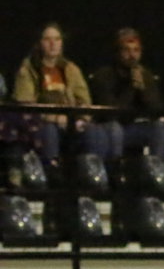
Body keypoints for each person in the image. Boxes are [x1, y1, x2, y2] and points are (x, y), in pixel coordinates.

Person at [12, 21, 109, 172]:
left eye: (57, 39)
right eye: (47, 39)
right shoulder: (28, 70)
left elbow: (85, 101)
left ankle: (95, 176)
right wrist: (56, 118)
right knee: (49, 131)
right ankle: (52, 174)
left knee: (96, 131)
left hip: (71, 123)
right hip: (42, 123)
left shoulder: (71, 69)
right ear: (39, 43)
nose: (53, 44)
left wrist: (81, 119)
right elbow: (26, 107)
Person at [90, 27, 164, 169]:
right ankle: (115, 173)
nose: (132, 55)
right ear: (118, 52)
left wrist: (143, 89)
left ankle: (159, 173)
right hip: (107, 129)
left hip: (132, 129)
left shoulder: (145, 75)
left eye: (136, 50)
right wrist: (131, 87)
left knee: (160, 128)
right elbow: (111, 114)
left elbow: (157, 110)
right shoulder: (103, 75)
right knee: (115, 129)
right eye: (126, 50)